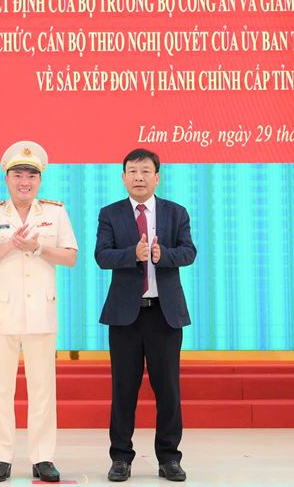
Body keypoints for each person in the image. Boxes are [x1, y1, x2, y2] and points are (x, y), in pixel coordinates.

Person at [0, 141, 78, 483]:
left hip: (42, 311)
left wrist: (38, 247)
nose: (24, 181)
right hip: (2, 312)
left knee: (42, 388)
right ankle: (1, 458)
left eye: (31, 174)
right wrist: (8, 246)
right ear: (7, 178)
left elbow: (70, 256)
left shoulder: (55, 213)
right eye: (18, 174)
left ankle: (43, 458)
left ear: (39, 180)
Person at [95, 148, 196, 483]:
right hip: (125, 317)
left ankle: (169, 458)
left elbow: (189, 252)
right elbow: (102, 256)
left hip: (164, 316)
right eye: (132, 171)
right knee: (124, 389)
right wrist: (132, 254)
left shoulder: (175, 212)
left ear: (157, 176)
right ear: (123, 177)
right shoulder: (110, 213)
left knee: (168, 389)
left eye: (145, 171)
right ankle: (121, 458)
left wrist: (161, 254)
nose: (138, 177)